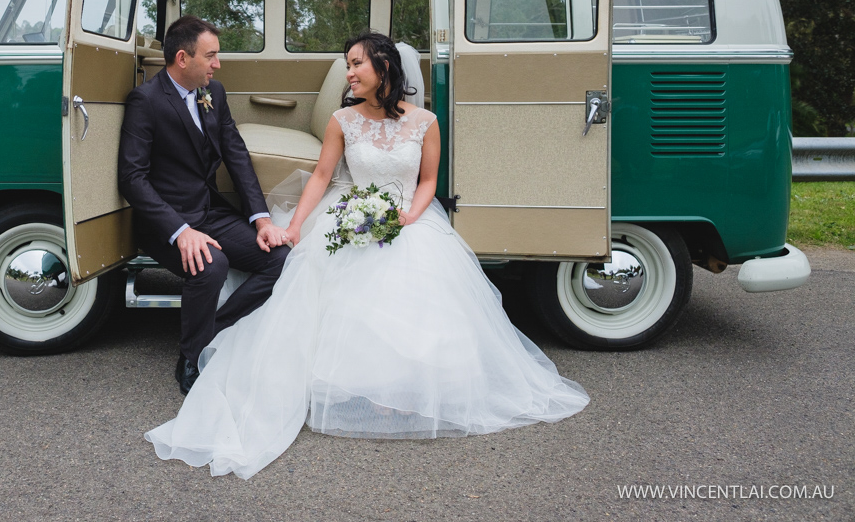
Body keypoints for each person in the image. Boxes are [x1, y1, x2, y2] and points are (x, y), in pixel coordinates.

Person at [145, 30, 589, 479]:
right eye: (348, 63)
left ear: (384, 70)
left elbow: (429, 181)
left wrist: (409, 217)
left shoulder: (425, 122)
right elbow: (320, 177)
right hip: (351, 215)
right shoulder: (343, 120)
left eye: (357, 64)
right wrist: (294, 227)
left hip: (409, 219)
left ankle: (409, 390)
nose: (349, 72)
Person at [118, 15, 292, 396]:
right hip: (169, 222)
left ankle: (214, 329)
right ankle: (191, 355)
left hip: (210, 212)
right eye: (211, 56)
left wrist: (261, 219)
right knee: (212, 265)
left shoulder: (215, 93)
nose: (218, 64)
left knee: (280, 258)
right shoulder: (146, 101)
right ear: (183, 58)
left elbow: (236, 155)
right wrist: (180, 231)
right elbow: (132, 178)